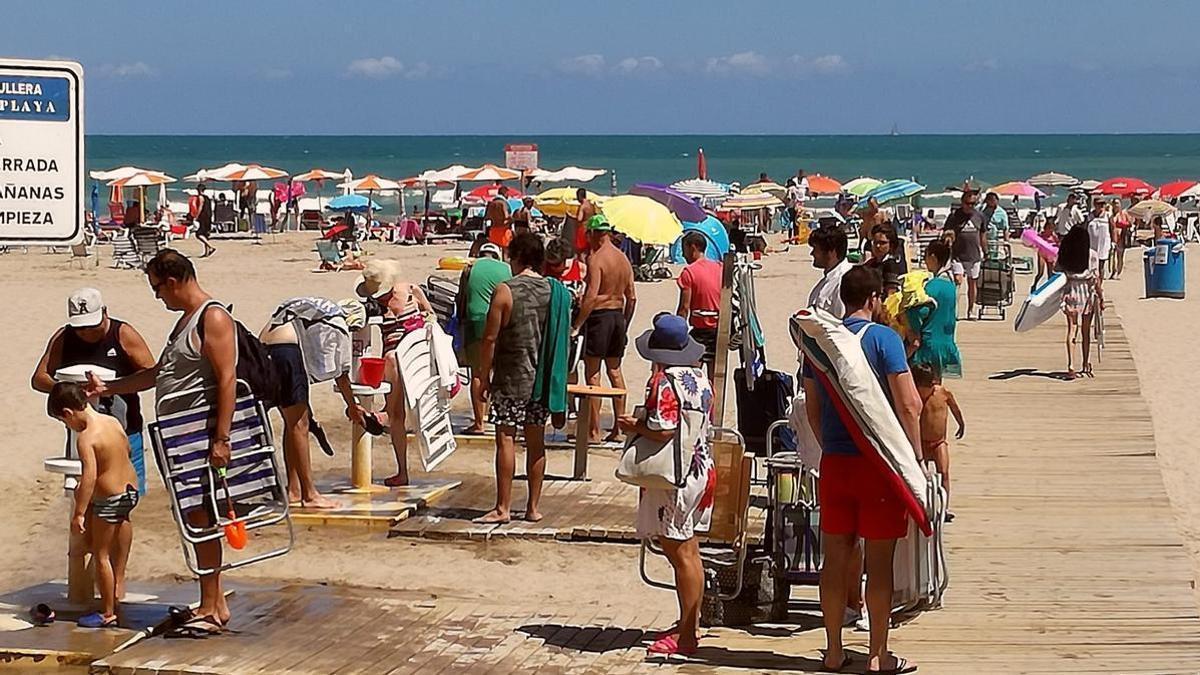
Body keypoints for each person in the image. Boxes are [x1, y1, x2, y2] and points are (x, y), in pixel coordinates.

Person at [86, 249, 235, 635]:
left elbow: (227, 379)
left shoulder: (212, 317)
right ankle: (214, 604)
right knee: (196, 519)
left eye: (157, 288)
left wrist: (221, 438)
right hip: (180, 436)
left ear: (172, 281)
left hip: (198, 435)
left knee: (202, 520)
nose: (157, 297)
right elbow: (159, 374)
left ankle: (210, 604)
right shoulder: (187, 322)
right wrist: (111, 387)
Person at [802, 266, 923, 675]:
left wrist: (829, 446)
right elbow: (909, 405)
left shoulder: (822, 345)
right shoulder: (884, 339)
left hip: (836, 463)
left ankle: (834, 650)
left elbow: (813, 409)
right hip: (878, 465)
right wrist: (914, 459)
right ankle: (877, 654)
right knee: (879, 562)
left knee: (835, 560)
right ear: (873, 299)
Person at [621, 313, 715, 657]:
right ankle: (690, 623)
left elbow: (662, 429)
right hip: (699, 469)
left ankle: (688, 634)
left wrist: (633, 424)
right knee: (690, 551)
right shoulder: (701, 379)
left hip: (674, 475)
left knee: (681, 553)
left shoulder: (664, 382)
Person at [32, 288, 156, 494]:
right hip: (81, 435)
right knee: (83, 495)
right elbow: (39, 378)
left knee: (127, 495)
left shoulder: (123, 334)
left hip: (124, 431)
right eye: (81, 328)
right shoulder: (64, 337)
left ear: (104, 312)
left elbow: (151, 374)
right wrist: (69, 391)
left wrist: (109, 389)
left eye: (92, 326)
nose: (87, 332)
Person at [474, 234, 557, 524]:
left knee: (506, 439)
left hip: (511, 376)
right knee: (536, 442)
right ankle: (533, 508)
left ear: (518, 256)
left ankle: (503, 507)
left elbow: (490, 338)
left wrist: (484, 377)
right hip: (541, 376)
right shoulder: (553, 291)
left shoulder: (505, 290)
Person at [259, 297, 369, 508]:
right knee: (300, 425)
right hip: (286, 350)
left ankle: (293, 490)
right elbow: (341, 374)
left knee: (292, 423)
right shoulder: (338, 325)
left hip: (264, 347)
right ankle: (310, 495)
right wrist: (352, 406)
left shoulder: (320, 307)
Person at [48, 382, 139, 629]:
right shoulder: (112, 422)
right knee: (118, 546)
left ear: (68, 413)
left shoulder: (87, 437)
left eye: (64, 422)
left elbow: (89, 477)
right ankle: (117, 593)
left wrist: (79, 512)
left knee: (101, 556)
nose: (69, 427)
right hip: (130, 491)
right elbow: (128, 450)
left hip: (108, 499)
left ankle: (108, 612)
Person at [355, 259, 435, 486]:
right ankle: (383, 413)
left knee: (387, 366)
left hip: (400, 364)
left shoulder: (383, 307)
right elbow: (431, 318)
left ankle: (385, 416)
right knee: (389, 363)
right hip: (421, 361)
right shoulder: (411, 290)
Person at [573, 215, 637, 444]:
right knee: (615, 371)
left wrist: (577, 324)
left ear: (594, 234)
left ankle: (594, 431)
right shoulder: (623, 259)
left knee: (593, 374)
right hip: (618, 316)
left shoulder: (596, 259)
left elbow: (591, 296)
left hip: (599, 317)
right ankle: (620, 428)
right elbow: (632, 297)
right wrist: (625, 323)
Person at [457, 243, 511, 435]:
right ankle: (500, 419)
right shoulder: (506, 268)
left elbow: (461, 298)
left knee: (478, 373)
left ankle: (479, 422)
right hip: (500, 319)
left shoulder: (470, 268)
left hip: (476, 319)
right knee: (500, 370)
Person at [912, 363, 964, 518]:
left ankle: (944, 508)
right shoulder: (915, 397)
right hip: (922, 442)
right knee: (921, 476)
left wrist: (961, 423)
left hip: (939, 442)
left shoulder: (943, 393)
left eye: (924, 388)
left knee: (944, 473)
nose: (922, 392)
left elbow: (955, 408)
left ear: (933, 384)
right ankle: (922, 506)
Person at [908, 241, 963, 378]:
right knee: (936, 384)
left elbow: (920, 312)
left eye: (925, 257)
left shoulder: (931, 286)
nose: (925, 262)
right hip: (946, 342)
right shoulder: (951, 286)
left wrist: (912, 329)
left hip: (928, 345)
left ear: (933, 257)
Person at [675, 232, 722, 380]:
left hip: (701, 329)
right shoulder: (720, 267)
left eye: (684, 249)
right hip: (720, 329)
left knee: (693, 376)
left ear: (693, 247)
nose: (683, 255)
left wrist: (677, 332)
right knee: (714, 377)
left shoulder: (689, 272)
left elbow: (684, 308)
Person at [1057, 226, 1101, 379]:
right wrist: (1101, 297)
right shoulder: (1092, 255)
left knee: (1072, 330)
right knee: (1086, 331)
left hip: (1071, 293)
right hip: (1087, 294)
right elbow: (1096, 280)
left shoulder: (1066, 254)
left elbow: (1058, 272)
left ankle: (1070, 365)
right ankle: (1085, 362)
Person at [943, 190, 985, 318]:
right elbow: (946, 231)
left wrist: (986, 251)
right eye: (968, 203)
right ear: (962, 203)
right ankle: (954, 310)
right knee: (958, 280)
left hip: (974, 255)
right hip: (958, 255)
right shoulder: (954, 216)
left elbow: (983, 235)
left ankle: (971, 309)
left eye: (973, 203)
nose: (970, 206)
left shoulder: (980, 216)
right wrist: (948, 239)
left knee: (972, 283)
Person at [807, 225, 853, 317]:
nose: (811, 253)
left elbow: (842, 322)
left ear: (831, 252)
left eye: (815, 249)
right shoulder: (828, 279)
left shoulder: (845, 281)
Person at [863, 224, 905, 296]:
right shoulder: (870, 263)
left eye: (882, 243)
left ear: (891, 245)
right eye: (875, 242)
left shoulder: (891, 265)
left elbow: (891, 295)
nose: (878, 246)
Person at [1085, 196, 1112, 285]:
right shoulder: (1089, 216)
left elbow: (1113, 229)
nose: (1101, 206)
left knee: (1101, 265)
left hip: (1103, 244)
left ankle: (1099, 285)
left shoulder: (1108, 216)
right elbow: (1084, 229)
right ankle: (1093, 284)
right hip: (1092, 245)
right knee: (1091, 266)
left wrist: (1114, 242)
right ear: (1094, 205)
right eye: (1099, 204)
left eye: (1102, 204)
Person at [980, 192, 1009, 260]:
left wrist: (1006, 244)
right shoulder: (981, 209)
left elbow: (1006, 229)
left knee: (993, 256)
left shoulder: (1001, 213)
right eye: (989, 200)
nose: (992, 202)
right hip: (981, 237)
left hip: (993, 238)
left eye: (993, 200)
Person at [570, 188, 597, 260]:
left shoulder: (582, 206)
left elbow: (579, 219)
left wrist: (572, 217)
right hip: (591, 228)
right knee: (590, 250)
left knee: (581, 251)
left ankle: (583, 266)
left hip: (583, 229)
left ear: (579, 196)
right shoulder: (591, 205)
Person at [485, 187, 512, 253]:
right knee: (505, 251)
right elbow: (506, 216)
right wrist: (512, 219)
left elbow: (487, 217)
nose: (508, 195)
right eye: (507, 193)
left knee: (494, 250)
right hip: (503, 230)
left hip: (493, 229)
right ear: (504, 193)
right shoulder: (503, 203)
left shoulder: (491, 203)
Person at [1109, 198, 1131, 279]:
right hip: (1112, 237)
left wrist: (1122, 224)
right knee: (1112, 256)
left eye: (1117, 203)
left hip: (1121, 237)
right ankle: (1113, 271)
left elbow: (1130, 223)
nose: (1116, 205)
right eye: (1114, 203)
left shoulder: (1123, 214)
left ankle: (1118, 272)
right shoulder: (1111, 215)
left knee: (1120, 256)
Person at [193, 184, 216, 258]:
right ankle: (206, 252)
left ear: (199, 190)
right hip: (208, 217)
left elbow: (200, 207)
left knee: (198, 234)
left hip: (203, 217)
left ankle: (211, 247)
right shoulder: (207, 198)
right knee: (205, 234)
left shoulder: (201, 197)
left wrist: (196, 216)